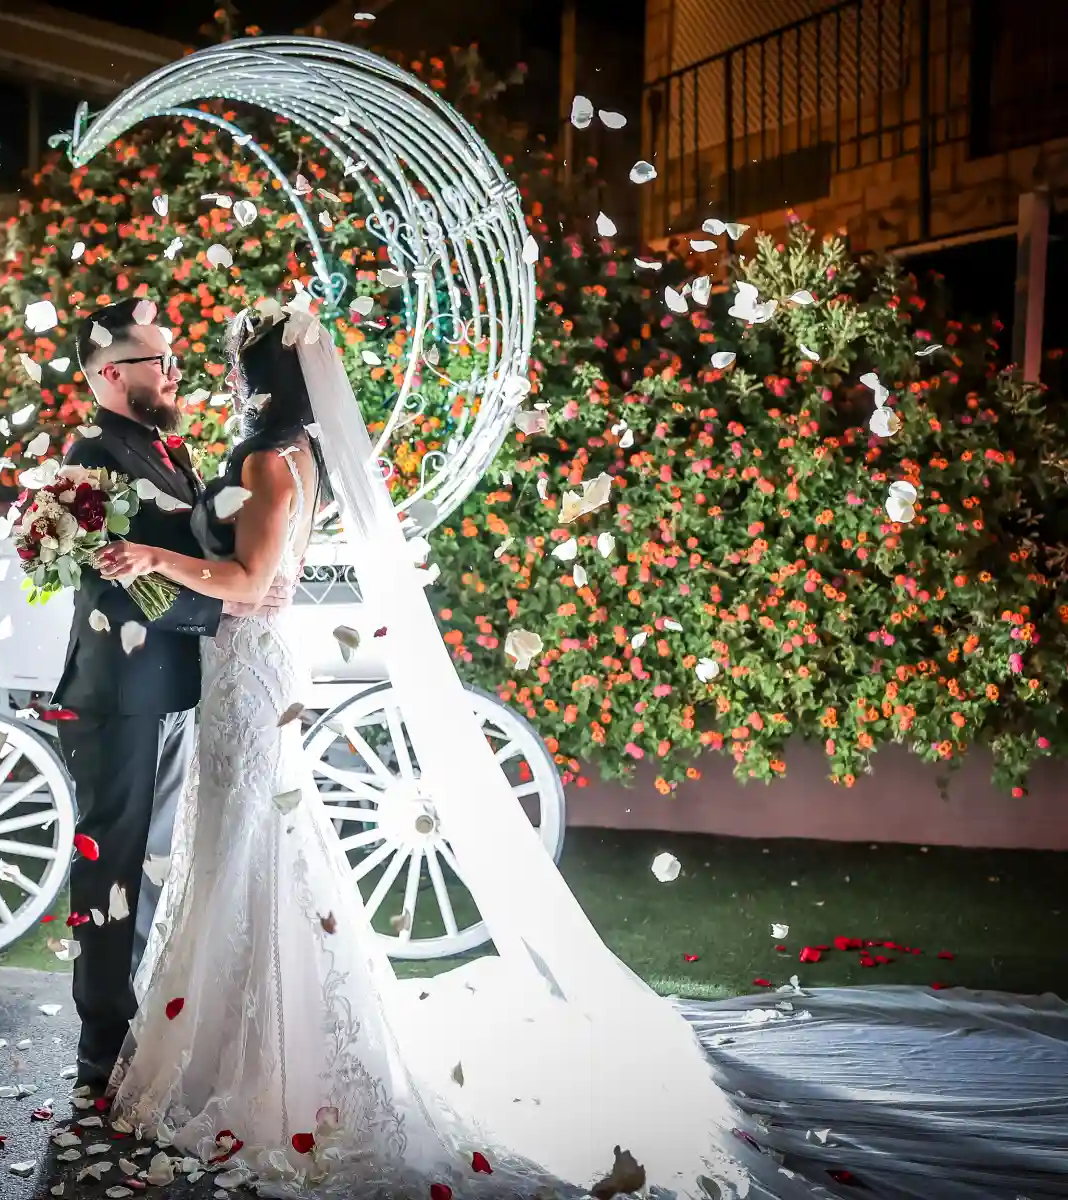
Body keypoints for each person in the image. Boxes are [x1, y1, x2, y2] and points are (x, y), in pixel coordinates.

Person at [87, 301, 1068, 1200]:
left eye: (229, 368)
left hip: (255, 676)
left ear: (263, 379)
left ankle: (259, 1069)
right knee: (245, 853)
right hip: (244, 681)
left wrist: (152, 557)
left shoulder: (267, 462)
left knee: (258, 855)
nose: (220, 382)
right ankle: (234, 1052)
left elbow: (257, 584)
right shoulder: (285, 454)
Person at [51, 297, 290, 1096]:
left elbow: (172, 557)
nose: (175, 371)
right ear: (113, 374)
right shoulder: (91, 458)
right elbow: (120, 590)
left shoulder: (164, 448)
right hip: (118, 694)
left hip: (171, 687)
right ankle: (100, 1044)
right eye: (160, 361)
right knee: (111, 865)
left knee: (151, 864)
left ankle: (135, 1032)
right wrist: (235, 603)